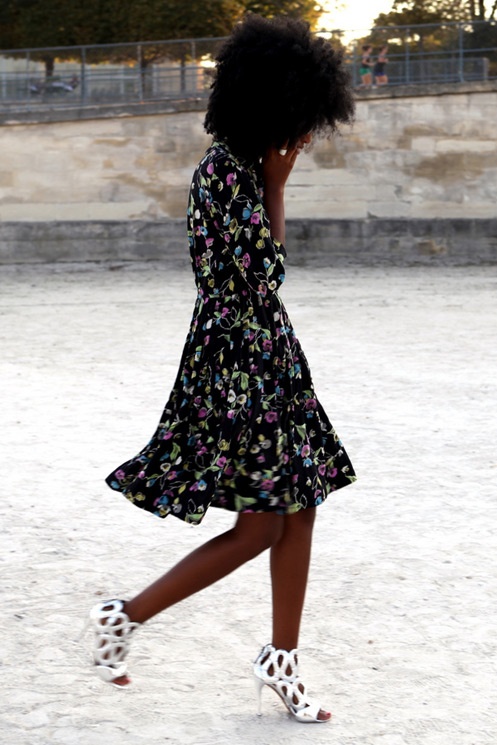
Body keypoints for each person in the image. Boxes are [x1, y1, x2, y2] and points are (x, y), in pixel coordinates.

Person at [88, 14, 357, 724]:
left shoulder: (240, 166)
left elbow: (264, 280)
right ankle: (123, 615)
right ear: (271, 104)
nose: (304, 137)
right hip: (237, 360)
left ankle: (281, 660)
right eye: (301, 121)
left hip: (265, 352)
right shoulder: (225, 174)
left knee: (301, 504)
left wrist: (272, 181)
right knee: (261, 524)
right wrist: (278, 188)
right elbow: (265, 273)